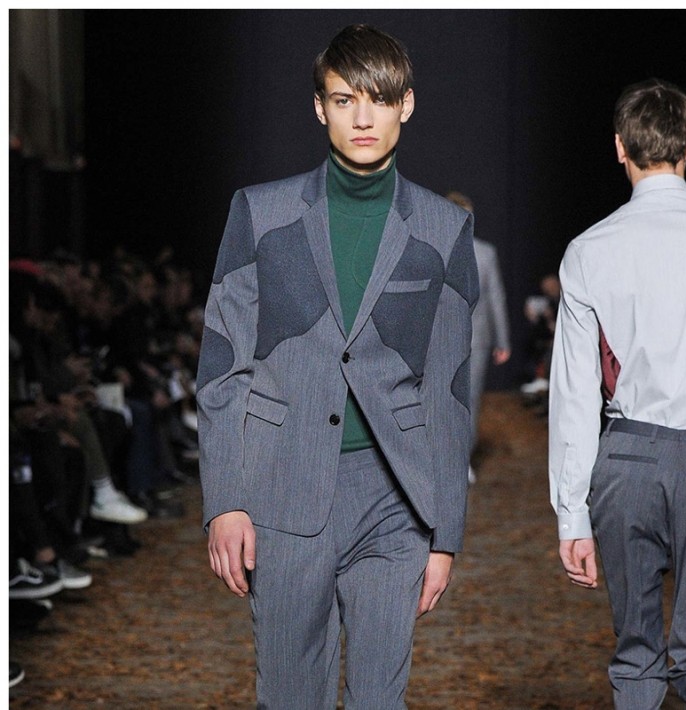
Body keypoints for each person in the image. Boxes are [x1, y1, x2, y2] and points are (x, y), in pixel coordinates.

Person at [197, 24, 479, 708]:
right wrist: (225, 500)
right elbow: (223, 366)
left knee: (380, 698)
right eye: (345, 99)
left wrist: (445, 534)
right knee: (290, 695)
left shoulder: (444, 229)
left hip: (395, 499)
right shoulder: (259, 214)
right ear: (319, 107)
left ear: (406, 104)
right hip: (282, 488)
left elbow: (447, 392)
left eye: (378, 99)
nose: (362, 118)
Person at [548, 78, 686, 709]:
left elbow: (575, 395)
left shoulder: (590, 250)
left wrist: (571, 514)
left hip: (628, 459)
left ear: (620, 148)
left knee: (636, 654)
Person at [445, 191, 511, 484]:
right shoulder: (437, 249)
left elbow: (495, 296)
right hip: (454, 340)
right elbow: (496, 297)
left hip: (463, 340)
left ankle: (459, 460)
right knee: (459, 402)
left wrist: (503, 340)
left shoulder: (482, 252)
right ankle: (453, 460)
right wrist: (502, 341)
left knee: (459, 401)